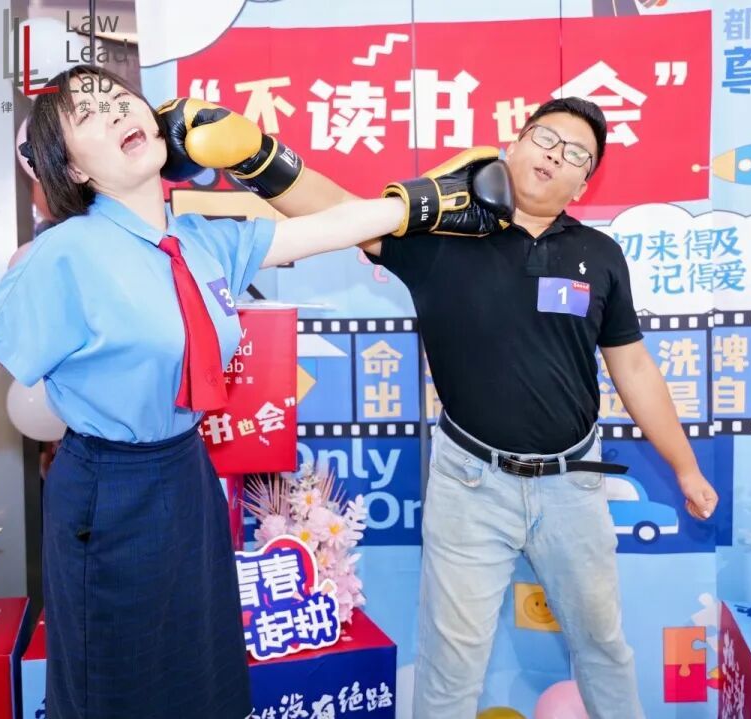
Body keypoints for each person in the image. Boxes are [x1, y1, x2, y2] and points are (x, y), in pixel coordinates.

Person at [0, 64, 513, 718]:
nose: (114, 110)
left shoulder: (199, 240)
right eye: (88, 115)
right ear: (74, 168)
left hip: (187, 472)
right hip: (108, 492)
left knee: (201, 672)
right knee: (117, 685)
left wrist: (424, 201)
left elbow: (329, 227)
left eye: (118, 98)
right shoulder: (64, 256)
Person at [166, 96, 719, 719]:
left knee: (604, 648)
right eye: (545, 138)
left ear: (583, 183)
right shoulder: (444, 237)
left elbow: (634, 367)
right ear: (514, 143)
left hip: (573, 485)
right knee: (451, 667)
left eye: (575, 155)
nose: (554, 156)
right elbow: (340, 212)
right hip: (471, 487)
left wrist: (686, 468)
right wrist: (256, 156)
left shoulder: (600, 254)